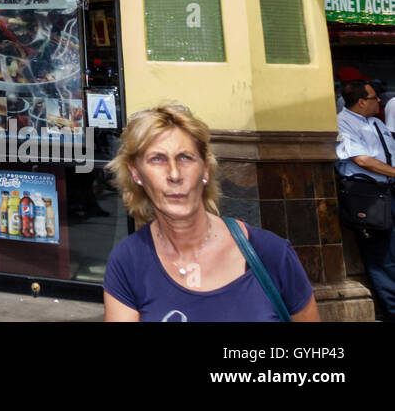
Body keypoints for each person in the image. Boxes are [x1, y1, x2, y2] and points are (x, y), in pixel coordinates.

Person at [104, 104, 318, 322]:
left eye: (185, 157)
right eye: (157, 159)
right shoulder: (128, 262)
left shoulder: (270, 253)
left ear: (205, 169)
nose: (174, 174)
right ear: (136, 174)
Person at [336, 80, 395, 319]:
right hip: (366, 194)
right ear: (361, 101)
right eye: (374, 98)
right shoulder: (343, 123)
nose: (379, 101)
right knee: (381, 255)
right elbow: (361, 160)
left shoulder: (376, 123)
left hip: (388, 189)